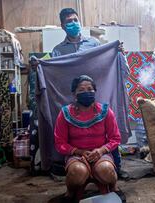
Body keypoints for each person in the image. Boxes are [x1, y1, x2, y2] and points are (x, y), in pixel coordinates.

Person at [51, 7, 127, 179]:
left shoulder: (93, 44)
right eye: (68, 22)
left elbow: (103, 62)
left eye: (75, 20)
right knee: (70, 129)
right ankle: (74, 165)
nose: (73, 24)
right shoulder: (57, 50)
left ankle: (115, 167)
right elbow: (55, 72)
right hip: (71, 95)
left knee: (107, 126)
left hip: (95, 92)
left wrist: (116, 52)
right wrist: (40, 66)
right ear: (62, 26)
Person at [54, 75, 121, 201]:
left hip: (100, 153)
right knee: (77, 173)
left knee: (106, 171)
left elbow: (115, 138)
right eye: (81, 90)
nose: (87, 93)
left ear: (95, 92)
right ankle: (70, 191)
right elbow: (59, 142)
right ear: (74, 94)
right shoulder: (65, 113)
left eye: (90, 89)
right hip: (77, 155)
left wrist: (101, 151)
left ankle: (113, 186)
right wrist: (79, 152)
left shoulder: (106, 111)